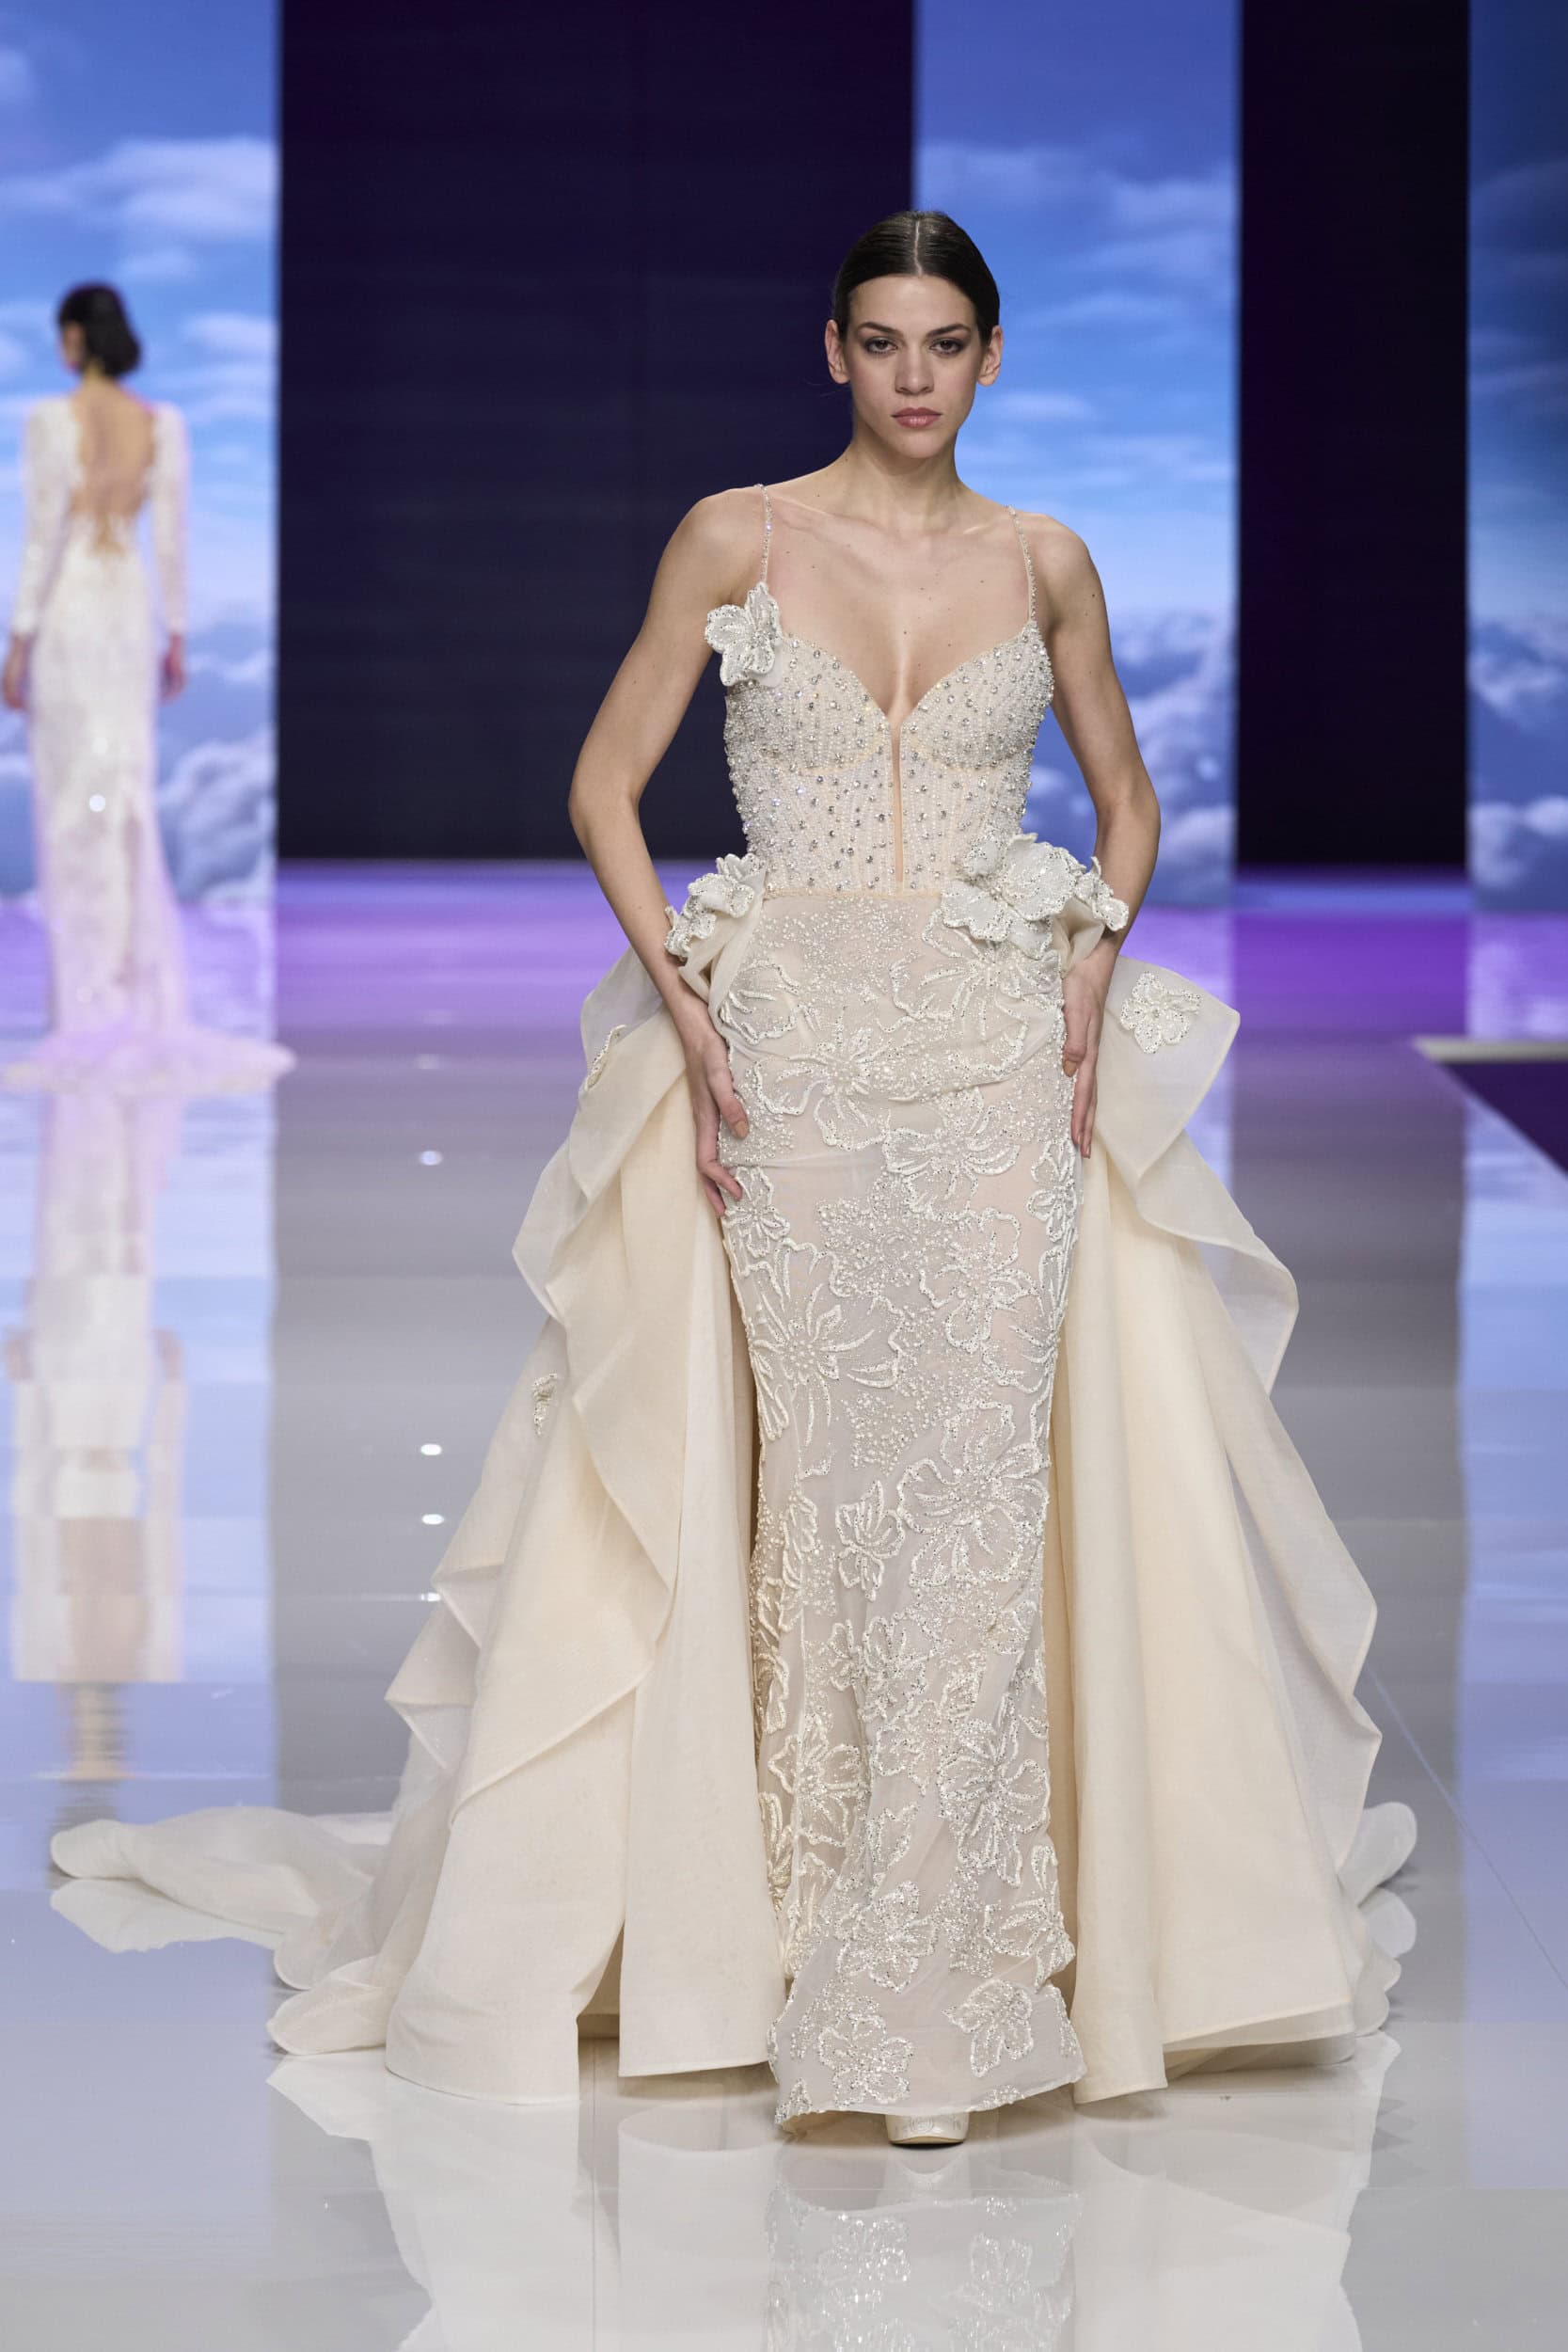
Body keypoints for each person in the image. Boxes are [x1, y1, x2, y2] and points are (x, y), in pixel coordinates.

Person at [52, 215, 1415, 2147]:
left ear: (991, 358)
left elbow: (1125, 799)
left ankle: (932, 1980)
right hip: (790, 1067)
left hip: (992, 1065)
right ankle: (794, 1927)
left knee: (975, 1502)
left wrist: (1088, 968)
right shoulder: (735, 537)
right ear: (832, 352)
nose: (916, 375)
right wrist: (688, 1007)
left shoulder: (1045, 559)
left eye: (947, 342)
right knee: (827, 1504)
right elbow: (601, 785)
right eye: (884, 340)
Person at [1, 282, 292, 1093]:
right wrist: (177, 635)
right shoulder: (162, 425)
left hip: (72, 612)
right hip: (128, 611)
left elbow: (42, 537)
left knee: (73, 805)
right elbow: (171, 540)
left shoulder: (51, 421)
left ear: (73, 337)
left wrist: (17, 641)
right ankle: (125, 993)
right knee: (122, 793)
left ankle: (87, 1001)